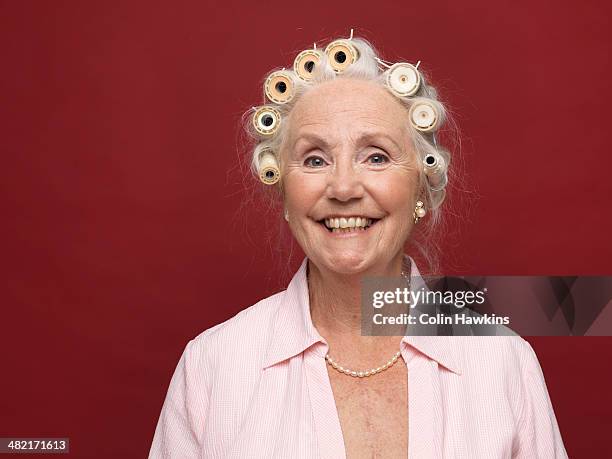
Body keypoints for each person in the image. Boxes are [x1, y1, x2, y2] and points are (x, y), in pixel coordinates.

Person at [149, 32, 568, 458]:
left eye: (377, 157)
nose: (344, 187)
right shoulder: (212, 367)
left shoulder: (503, 362)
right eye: (315, 159)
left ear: (421, 187)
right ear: (284, 194)